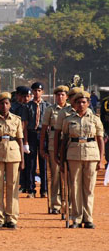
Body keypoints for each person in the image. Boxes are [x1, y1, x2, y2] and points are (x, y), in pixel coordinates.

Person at [61, 91, 104, 229]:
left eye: (84, 102)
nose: (81, 104)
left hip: (91, 155)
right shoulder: (68, 120)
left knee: (89, 188)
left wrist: (100, 159)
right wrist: (61, 160)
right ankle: (77, 218)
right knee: (75, 187)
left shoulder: (95, 119)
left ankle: (88, 218)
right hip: (73, 154)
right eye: (78, 102)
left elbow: (100, 139)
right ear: (74, 104)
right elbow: (64, 140)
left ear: (88, 103)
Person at [0, 92, 24, 229]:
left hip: (14, 153)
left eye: (6, 103)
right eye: (1, 104)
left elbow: (20, 140)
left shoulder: (16, 120)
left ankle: (12, 218)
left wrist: (22, 159)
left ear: (10, 105)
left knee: (12, 186)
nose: (4, 106)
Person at [40, 86, 69, 214]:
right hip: (53, 145)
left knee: (67, 175)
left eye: (62, 95)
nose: (60, 97)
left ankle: (66, 203)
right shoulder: (50, 110)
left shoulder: (71, 109)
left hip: (68, 144)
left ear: (67, 96)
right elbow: (43, 130)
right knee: (55, 175)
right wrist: (42, 147)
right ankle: (55, 204)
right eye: (57, 95)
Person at [22, 82, 50, 198]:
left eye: (39, 90)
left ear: (42, 92)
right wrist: (26, 142)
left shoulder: (47, 106)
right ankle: (31, 189)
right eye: (35, 91)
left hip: (43, 136)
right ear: (32, 92)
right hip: (32, 135)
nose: (37, 93)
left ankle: (44, 189)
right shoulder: (27, 106)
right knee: (31, 163)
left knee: (43, 163)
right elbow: (25, 125)